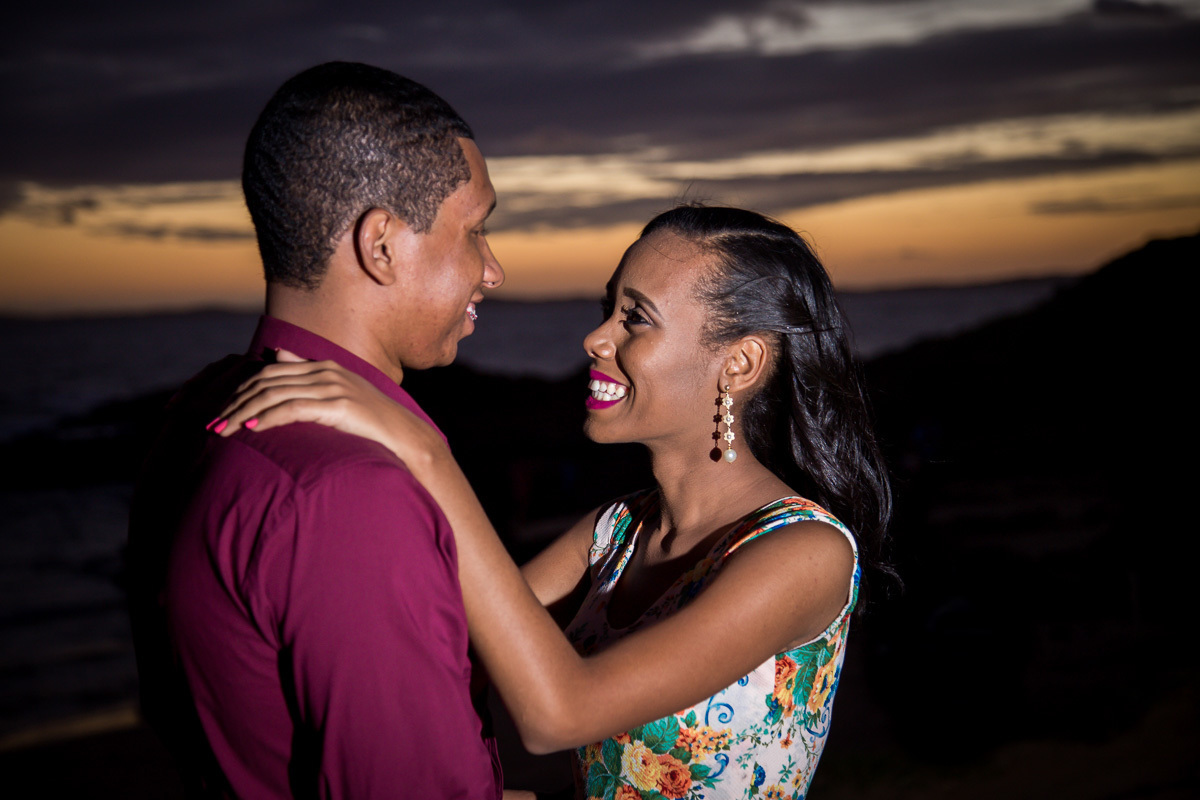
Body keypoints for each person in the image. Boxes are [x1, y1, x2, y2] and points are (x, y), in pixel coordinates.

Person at [216, 204, 895, 798]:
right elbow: (453, 654)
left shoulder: (805, 551)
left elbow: (561, 714)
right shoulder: (614, 532)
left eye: (637, 319)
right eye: (609, 310)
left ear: (739, 365)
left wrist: (424, 452)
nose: (596, 339)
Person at [126, 62, 506, 797]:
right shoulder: (349, 497)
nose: (492, 269)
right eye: (475, 230)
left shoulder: (199, 412)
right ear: (382, 245)